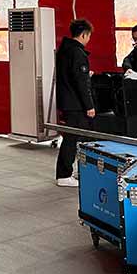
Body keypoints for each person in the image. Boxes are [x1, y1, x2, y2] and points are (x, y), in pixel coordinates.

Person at [54, 18, 95, 187]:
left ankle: (72, 171)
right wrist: (89, 106)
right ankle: (64, 174)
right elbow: (80, 82)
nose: (89, 39)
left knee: (72, 137)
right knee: (72, 139)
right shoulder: (78, 53)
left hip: (66, 99)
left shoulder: (64, 49)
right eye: (89, 36)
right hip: (75, 103)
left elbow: (71, 75)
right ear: (84, 34)